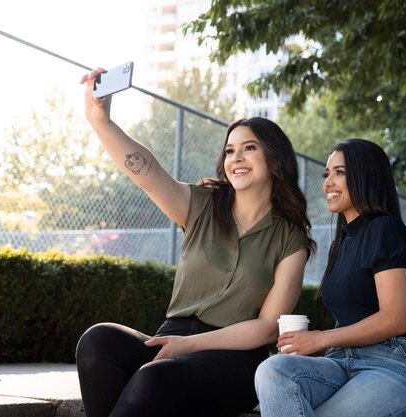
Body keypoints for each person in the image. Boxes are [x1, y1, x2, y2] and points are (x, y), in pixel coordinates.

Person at [75, 68, 315, 417]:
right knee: (98, 342)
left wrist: (190, 345)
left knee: (155, 378)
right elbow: (147, 173)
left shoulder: (290, 239)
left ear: (274, 159)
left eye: (249, 148)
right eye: (230, 150)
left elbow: (266, 327)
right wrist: (101, 121)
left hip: (234, 360)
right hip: (173, 339)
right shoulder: (201, 204)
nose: (236, 158)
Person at [255, 139, 406, 417]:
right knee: (273, 370)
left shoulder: (385, 229)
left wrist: (319, 339)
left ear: (366, 176)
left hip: (394, 366)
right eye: (326, 174)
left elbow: (395, 318)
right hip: (340, 363)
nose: (328, 183)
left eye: (339, 173)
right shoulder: (342, 242)